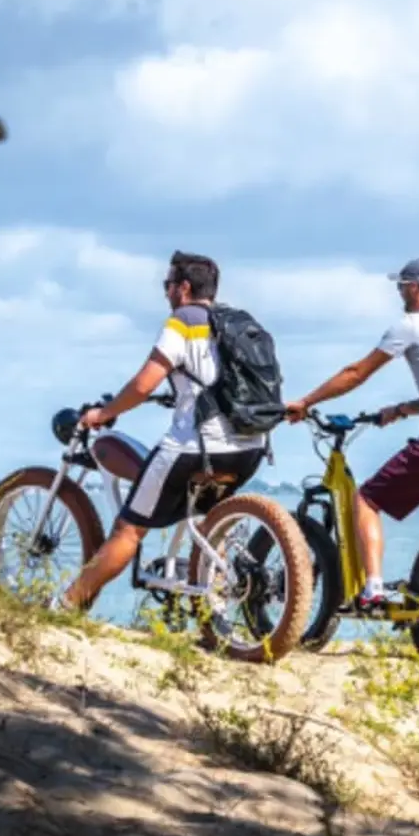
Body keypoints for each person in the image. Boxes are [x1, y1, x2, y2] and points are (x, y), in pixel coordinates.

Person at [285, 257, 419, 651]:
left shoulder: (411, 325)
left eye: (402, 285)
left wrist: (307, 401)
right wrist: (402, 410)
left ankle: (373, 588)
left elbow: (356, 373)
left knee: (366, 499)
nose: (398, 291)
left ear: (416, 287)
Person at [59, 251, 268, 610]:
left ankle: (64, 606)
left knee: (129, 529)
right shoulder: (239, 324)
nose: (165, 292)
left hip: (197, 447)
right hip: (251, 446)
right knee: (209, 522)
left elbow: (143, 384)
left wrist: (104, 412)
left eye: (167, 285)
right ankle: (210, 614)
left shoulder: (183, 321)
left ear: (183, 287)